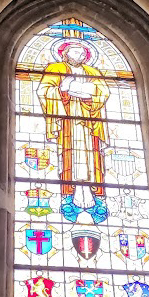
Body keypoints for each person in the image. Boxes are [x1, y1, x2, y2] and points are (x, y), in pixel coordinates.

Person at [39, 37, 110, 223]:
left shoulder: (93, 72)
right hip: (67, 124)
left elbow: (103, 92)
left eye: (82, 52)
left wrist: (85, 93)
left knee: (93, 158)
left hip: (90, 122)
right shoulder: (55, 69)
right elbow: (44, 90)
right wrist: (62, 91)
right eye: (74, 51)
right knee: (69, 157)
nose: (79, 55)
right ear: (65, 53)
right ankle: (68, 197)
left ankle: (96, 198)